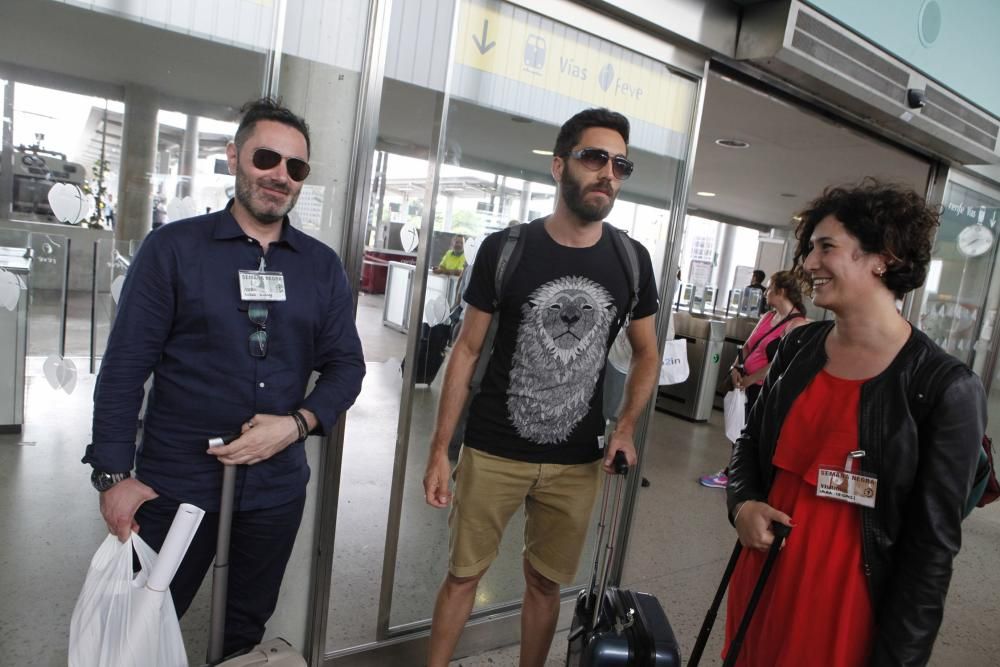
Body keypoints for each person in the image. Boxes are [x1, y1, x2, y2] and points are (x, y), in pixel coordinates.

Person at [83, 97, 365, 657]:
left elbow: (346, 366)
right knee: (139, 625)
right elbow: (124, 369)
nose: (280, 176)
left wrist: (298, 423)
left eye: (296, 168)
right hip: (175, 486)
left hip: (274, 491)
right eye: (266, 158)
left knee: (244, 632)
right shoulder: (175, 250)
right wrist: (113, 478)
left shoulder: (319, 265)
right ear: (235, 157)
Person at [421, 108, 660, 667]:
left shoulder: (631, 260)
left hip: (577, 459)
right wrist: (439, 448)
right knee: (462, 577)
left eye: (619, 164)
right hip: (493, 447)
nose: (608, 172)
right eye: (594, 157)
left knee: (546, 585)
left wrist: (624, 427)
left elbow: (647, 354)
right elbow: (468, 351)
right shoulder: (506, 250)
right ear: (558, 166)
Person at [725, 180, 986, 666]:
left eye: (827, 248)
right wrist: (742, 505)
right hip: (763, 576)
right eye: (810, 249)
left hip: (849, 602)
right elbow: (750, 445)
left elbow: (931, 553)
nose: (809, 264)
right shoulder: (797, 349)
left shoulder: (942, 387)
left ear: (882, 257)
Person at [699, 270, 807, 489]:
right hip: (744, 384)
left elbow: (779, 363)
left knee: (752, 434)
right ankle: (735, 473)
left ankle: (736, 475)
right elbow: (749, 345)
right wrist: (736, 368)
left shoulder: (796, 325)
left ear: (782, 291)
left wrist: (752, 379)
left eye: (769, 288)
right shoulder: (768, 316)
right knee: (739, 429)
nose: (765, 292)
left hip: (763, 389)